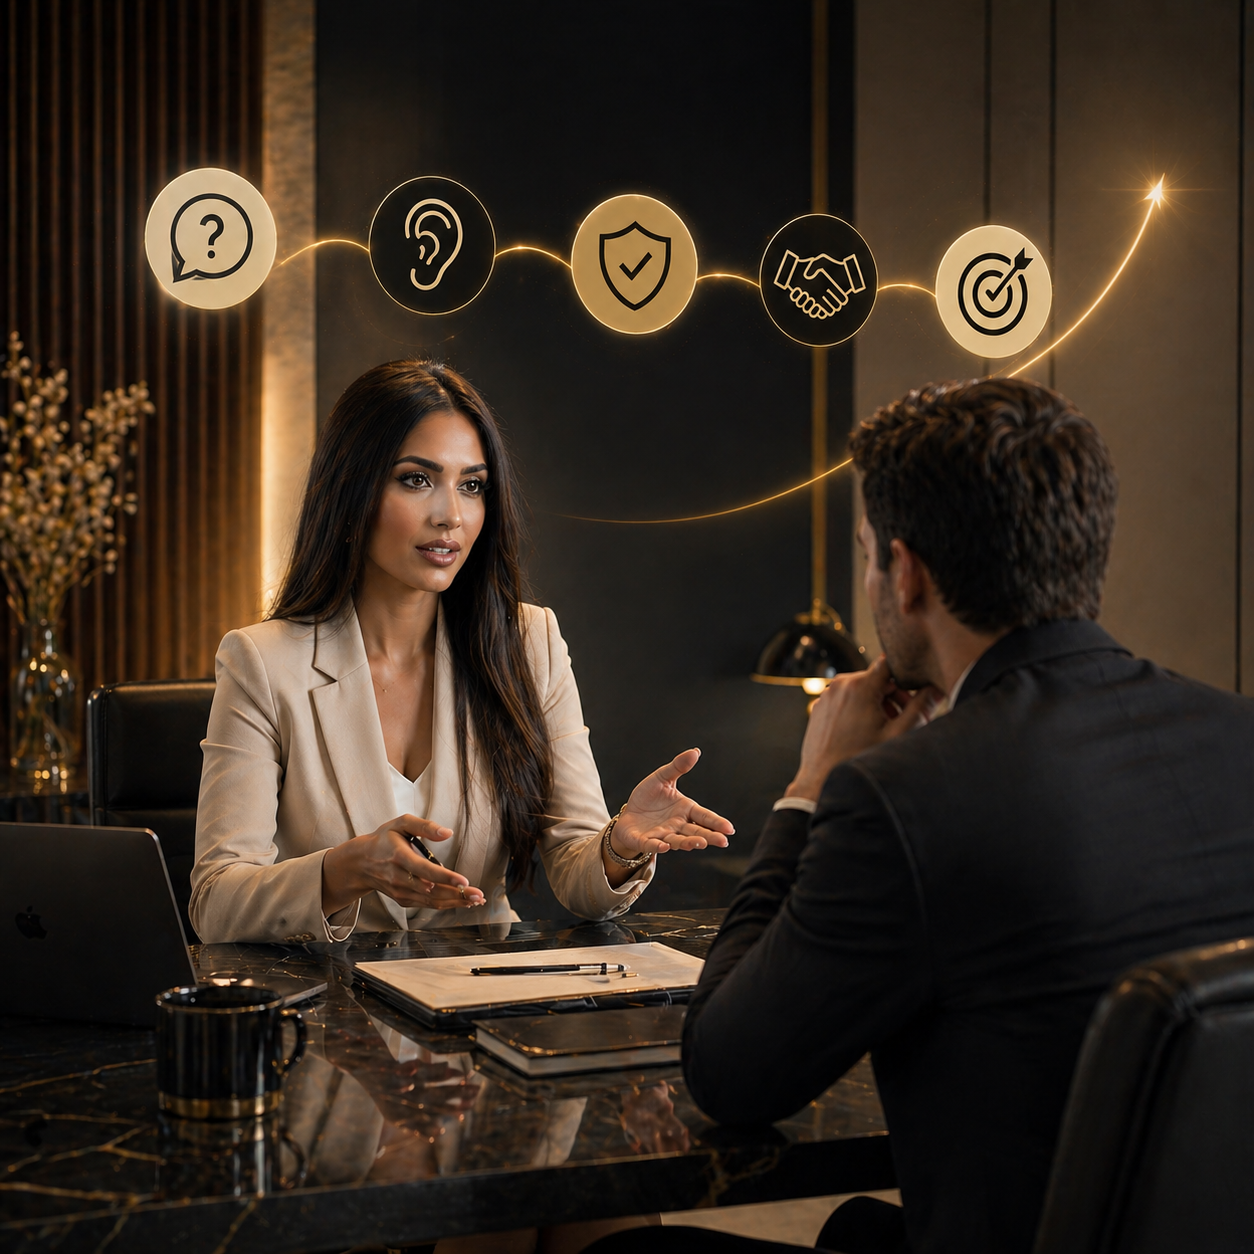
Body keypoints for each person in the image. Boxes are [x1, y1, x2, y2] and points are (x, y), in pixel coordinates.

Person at [606, 377, 1254, 1254]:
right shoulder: (1238, 733)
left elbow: (728, 1072)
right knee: (857, 1230)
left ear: (905, 575)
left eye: (871, 551)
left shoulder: (906, 796)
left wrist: (810, 790)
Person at [191, 360, 733, 944]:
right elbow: (215, 902)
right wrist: (344, 871)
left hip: (481, 1000)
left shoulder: (530, 643)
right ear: (352, 491)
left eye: (471, 485)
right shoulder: (261, 661)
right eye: (416, 479)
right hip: (328, 1007)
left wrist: (620, 845)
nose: (450, 514)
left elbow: (578, 875)